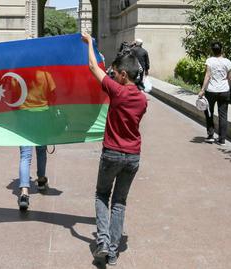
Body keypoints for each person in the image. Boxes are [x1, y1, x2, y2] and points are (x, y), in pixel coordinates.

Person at [81, 33, 147, 266]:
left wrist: (90, 42)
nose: (113, 75)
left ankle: (103, 241)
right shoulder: (142, 100)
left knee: (101, 195)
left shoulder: (117, 92)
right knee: (119, 202)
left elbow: (91, 67)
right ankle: (112, 252)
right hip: (133, 156)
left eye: (116, 73)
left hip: (111, 152)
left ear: (123, 74)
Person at [16, 70, 55, 211]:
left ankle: (24, 193)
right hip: (42, 116)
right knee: (41, 151)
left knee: (25, 155)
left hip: (23, 116)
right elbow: (53, 95)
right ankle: (41, 180)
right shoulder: (45, 74)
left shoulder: (19, 74)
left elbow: (13, 96)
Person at [198, 41, 231, 145]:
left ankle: (210, 135)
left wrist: (202, 90)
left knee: (209, 113)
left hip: (211, 91)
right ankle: (222, 139)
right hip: (224, 91)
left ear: (212, 50)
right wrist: (228, 89)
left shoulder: (209, 61)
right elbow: (230, 77)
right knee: (223, 115)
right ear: (221, 49)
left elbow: (207, 76)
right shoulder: (227, 62)